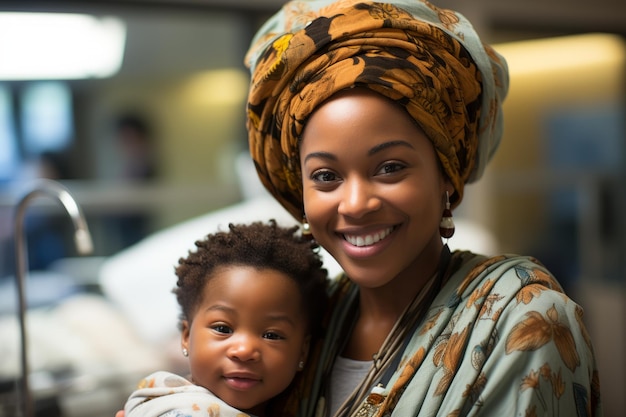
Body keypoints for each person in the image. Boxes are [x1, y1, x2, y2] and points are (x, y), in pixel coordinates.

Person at [116, 1, 602, 416]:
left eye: (390, 167)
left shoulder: (522, 318)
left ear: (446, 178)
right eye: (326, 176)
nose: (355, 203)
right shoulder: (314, 316)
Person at [123, 220, 329, 417]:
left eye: (271, 335)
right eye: (223, 329)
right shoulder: (177, 409)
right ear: (187, 336)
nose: (244, 351)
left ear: (303, 350)